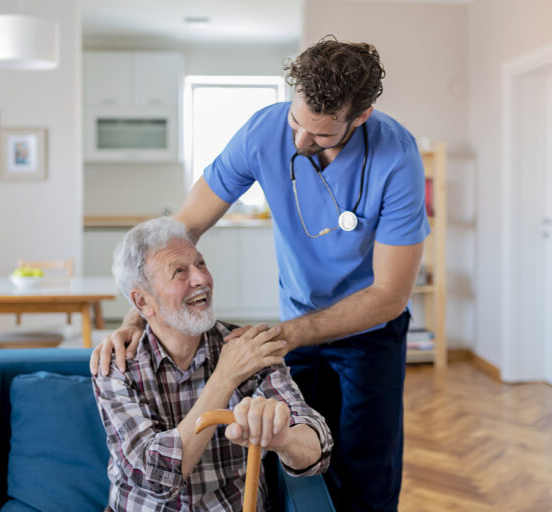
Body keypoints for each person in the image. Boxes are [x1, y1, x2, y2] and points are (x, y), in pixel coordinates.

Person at [92, 37, 429, 512]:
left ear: (361, 117)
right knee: (291, 455)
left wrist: (284, 335)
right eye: (296, 122)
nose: (300, 141)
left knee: (366, 473)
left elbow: (390, 294)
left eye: (321, 135)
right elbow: (181, 229)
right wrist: (137, 315)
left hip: (368, 331)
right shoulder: (263, 132)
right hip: (297, 316)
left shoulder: (397, 157)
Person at [92, 216, 333, 511]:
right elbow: (155, 480)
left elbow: (317, 449)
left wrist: (284, 440)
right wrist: (224, 378)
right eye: (179, 272)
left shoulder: (248, 347)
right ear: (143, 302)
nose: (201, 279)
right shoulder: (117, 366)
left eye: (201, 264)